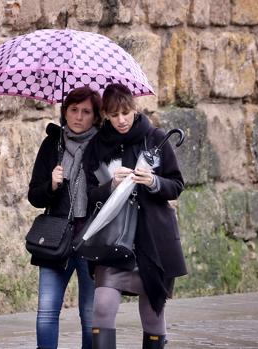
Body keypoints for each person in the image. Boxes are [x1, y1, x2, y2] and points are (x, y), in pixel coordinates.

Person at [82, 83, 188, 349]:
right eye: (114, 114)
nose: (121, 120)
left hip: (153, 239)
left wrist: (153, 181)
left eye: (126, 113)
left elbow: (176, 184)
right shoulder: (96, 146)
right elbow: (88, 194)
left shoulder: (155, 139)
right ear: (104, 113)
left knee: (153, 313)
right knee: (103, 305)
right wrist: (110, 187)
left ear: (134, 109)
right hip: (112, 240)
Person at [27, 86, 103, 349]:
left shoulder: (103, 146)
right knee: (47, 311)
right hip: (56, 238)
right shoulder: (52, 144)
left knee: (91, 314)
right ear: (64, 111)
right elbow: (35, 196)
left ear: (96, 116)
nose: (79, 117)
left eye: (86, 111)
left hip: (93, 239)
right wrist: (51, 184)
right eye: (73, 110)